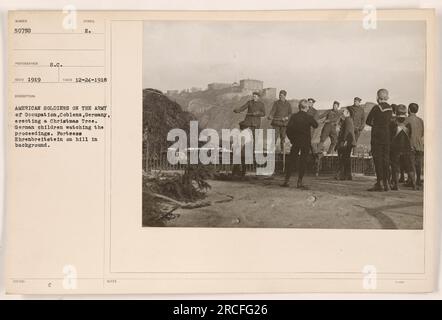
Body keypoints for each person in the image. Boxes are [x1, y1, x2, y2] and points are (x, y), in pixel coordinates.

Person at [282, 99, 318, 189]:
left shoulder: (294, 117)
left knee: (291, 160)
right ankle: (299, 182)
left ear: (299, 107)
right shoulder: (308, 117)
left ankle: (286, 181)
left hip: (296, 142)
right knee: (303, 161)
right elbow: (316, 125)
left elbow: (288, 130)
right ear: (306, 107)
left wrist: (292, 140)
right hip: (305, 142)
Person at [365, 88, 393, 191]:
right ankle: (387, 183)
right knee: (386, 159)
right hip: (387, 136)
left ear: (378, 97)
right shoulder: (390, 109)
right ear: (386, 97)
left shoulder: (376, 108)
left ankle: (379, 183)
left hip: (377, 136)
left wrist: (376, 125)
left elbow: (368, 121)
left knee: (378, 159)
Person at [233, 92, 266, 177]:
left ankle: (252, 154)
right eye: (253, 96)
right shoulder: (249, 102)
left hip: (255, 124)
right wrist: (237, 110)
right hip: (248, 123)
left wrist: (257, 113)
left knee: (253, 140)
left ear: (258, 97)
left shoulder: (261, 104)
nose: (254, 97)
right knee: (245, 139)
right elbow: (243, 107)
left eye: (255, 96)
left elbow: (263, 113)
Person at [390, 104, 417, 190]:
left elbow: (390, 136)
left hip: (395, 148)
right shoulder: (408, 124)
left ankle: (396, 185)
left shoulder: (393, 123)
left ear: (396, 112)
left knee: (395, 166)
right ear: (405, 112)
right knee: (409, 166)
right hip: (407, 147)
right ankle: (414, 185)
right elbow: (410, 135)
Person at [405, 103, 424, 187]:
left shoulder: (407, 120)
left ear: (409, 109)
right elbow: (422, 133)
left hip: (410, 144)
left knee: (411, 164)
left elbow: (405, 133)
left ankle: (412, 182)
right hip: (420, 145)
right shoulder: (421, 120)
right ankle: (418, 181)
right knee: (418, 164)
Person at [336, 108, 356, 180]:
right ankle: (347, 175)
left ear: (348, 113)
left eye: (343, 111)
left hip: (346, 142)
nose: (342, 112)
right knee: (346, 159)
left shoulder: (347, 120)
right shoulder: (347, 120)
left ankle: (344, 175)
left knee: (344, 158)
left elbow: (347, 131)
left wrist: (344, 141)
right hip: (348, 142)